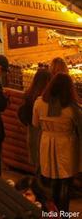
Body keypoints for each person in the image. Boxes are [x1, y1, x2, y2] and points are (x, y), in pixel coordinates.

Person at [33, 73, 81, 213]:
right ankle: (64, 214)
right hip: (66, 145)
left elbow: (35, 124)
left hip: (46, 143)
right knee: (65, 182)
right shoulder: (73, 108)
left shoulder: (39, 103)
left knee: (48, 182)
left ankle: (49, 213)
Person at [18, 67, 52, 169]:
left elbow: (24, 114)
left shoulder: (28, 94)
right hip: (45, 133)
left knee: (38, 164)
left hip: (32, 132)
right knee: (48, 164)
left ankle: (38, 183)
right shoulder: (48, 98)